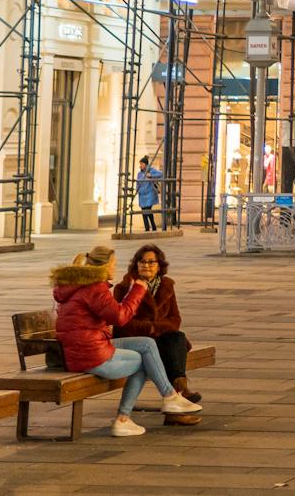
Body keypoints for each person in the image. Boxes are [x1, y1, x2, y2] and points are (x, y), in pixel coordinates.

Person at [52, 245, 202, 436]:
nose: (115, 268)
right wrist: (137, 290)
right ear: (104, 266)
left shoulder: (78, 285)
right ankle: (126, 417)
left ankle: (170, 398)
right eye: (113, 264)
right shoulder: (95, 288)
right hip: (89, 354)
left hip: (84, 347)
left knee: (147, 344)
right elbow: (120, 317)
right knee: (143, 362)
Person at [114, 245, 202, 410]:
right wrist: (151, 329)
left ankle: (178, 387)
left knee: (177, 337)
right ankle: (178, 393)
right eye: (142, 261)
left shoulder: (166, 286)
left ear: (159, 265)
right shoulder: (124, 287)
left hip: (160, 338)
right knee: (169, 349)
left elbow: (175, 319)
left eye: (151, 262)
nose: (146, 265)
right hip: (136, 340)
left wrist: (156, 329)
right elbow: (122, 322)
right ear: (136, 264)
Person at [135, 157, 163, 231]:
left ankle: (151, 226)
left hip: (150, 194)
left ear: (146, 164)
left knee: (147, 210)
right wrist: (136, 190)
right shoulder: (139, 174)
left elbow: (161, 174)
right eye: (140, 164)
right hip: (142, 195)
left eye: (142, 163)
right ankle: (148, 228)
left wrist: (151, 175)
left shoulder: (151, 170)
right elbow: (137, 183)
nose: (140, 165)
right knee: (144, 212)